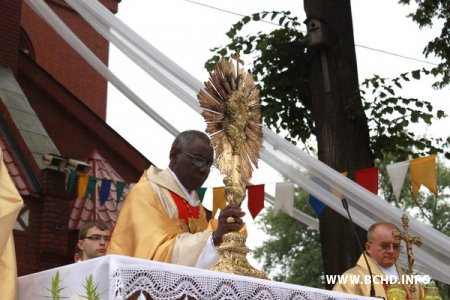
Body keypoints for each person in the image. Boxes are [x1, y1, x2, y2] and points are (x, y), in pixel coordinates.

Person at [107, 130, 244, 268]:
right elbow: (157, 255)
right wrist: (214, 237)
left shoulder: (194, 204)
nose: (204, 170)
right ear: (174, 155)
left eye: (209, 164)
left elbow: (202, 258)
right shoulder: (147, 193)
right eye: (198, 160)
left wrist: (225, 234)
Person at [333, 222, 424, 299]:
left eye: (396, 246)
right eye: (385, 246)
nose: (391, 251)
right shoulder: (351, 280)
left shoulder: (412, 283)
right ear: (368, 247)